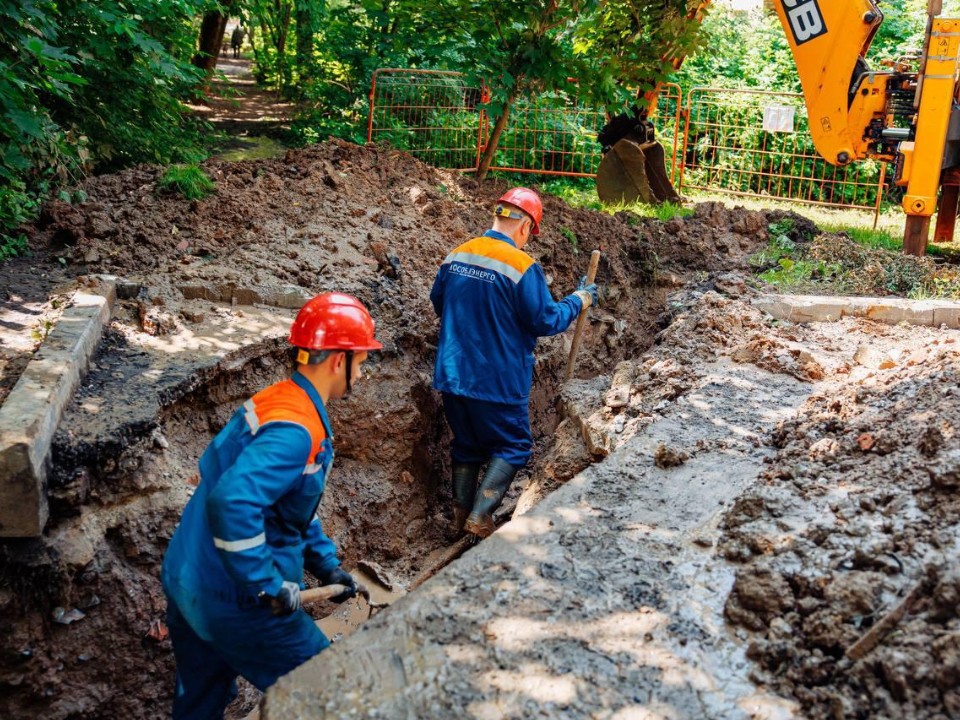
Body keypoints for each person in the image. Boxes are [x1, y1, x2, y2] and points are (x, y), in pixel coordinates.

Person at [161, 292, 382, 719]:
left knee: (199, 702)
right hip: (235, 601)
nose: (364, 369)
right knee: (331, 691)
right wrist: (265, 584)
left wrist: (325, 564)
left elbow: (288, 506)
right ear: (339, 360)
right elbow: (232, 503)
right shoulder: (297, 431)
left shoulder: (277, 401)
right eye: (362, 359)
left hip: (187, 575)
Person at [430, 187, 598, 539]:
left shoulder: (457, 255)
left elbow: (439, 302)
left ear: (498, 216)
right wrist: (579, 300)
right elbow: (545, 320)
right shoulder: (521, 266)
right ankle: (480, 515)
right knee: (514, 445)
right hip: (498, 380)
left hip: (452, 374)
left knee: (467, 444)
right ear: (525, 227)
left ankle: (459, 516)